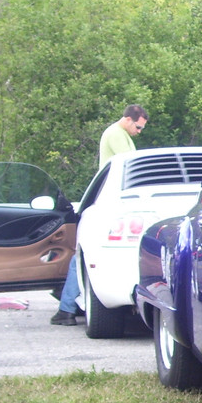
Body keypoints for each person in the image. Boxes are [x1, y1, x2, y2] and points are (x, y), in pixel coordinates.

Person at [50, 105, 149, 325]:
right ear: (128, 120)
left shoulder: (119, 133)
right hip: (113, 201)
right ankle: (67, 306)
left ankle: (67, 307)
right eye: (139, 127)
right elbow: (132, 164)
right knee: (86, 256)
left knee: (84, 255)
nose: (139, 132)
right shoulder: (116, 134)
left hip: (109, 199)